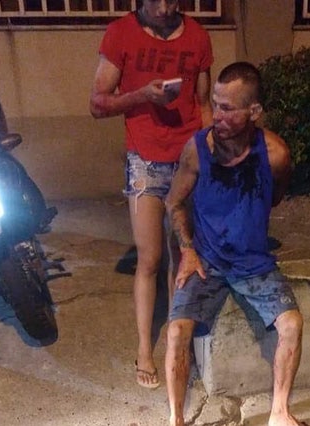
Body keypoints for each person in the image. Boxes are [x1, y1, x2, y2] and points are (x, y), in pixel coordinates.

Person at [164, 62, 305, 426]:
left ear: (253, 111)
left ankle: (279, 413)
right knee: (177, 329)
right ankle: (175, 419)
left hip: (254, 262)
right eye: (215, 104)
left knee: (291, 323)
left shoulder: (275, 155)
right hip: (206, 259)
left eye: (228, 108)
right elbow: (174, 201)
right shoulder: (197, 150)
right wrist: (188, 250)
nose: (217, 116)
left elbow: (275, 197)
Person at [89, 0, 213, 389]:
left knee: (184, 256)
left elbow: (204, 103)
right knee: (150, 259)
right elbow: (98, 104)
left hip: (188, 159)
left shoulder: (197, 36)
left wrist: (210, 155)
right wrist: (142, 94)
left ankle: (180, 343)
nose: (163, 8)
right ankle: (144, 348)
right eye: (154, 0)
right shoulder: (120, 33)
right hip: (145, 160)